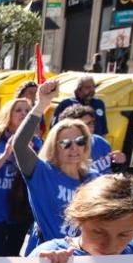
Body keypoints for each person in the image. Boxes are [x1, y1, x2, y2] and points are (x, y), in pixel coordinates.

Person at [9, 79, 99, 254]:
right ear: (54, 147)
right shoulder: (42, 172)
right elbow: (19, 145)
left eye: (80, 141)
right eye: (65, 143)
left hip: (81, 258)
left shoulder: (94, 178)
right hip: (45, 256)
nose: (74, 148)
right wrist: (42, 104)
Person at [0, 97, 40, 257]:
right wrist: (6, 155)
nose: (23, 114)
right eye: (18, 110)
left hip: (20, 209)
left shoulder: (36, 143)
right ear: (8, 115)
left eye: (27, 111)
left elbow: (41, 176)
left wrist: (31, 154)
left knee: (13, 254)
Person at [58, 104, 127, 174]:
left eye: (91, 123)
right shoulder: (64, 148)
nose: (89, 127)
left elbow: (110, 172)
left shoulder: (101, 142)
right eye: (83, 124)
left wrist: (118, 163)